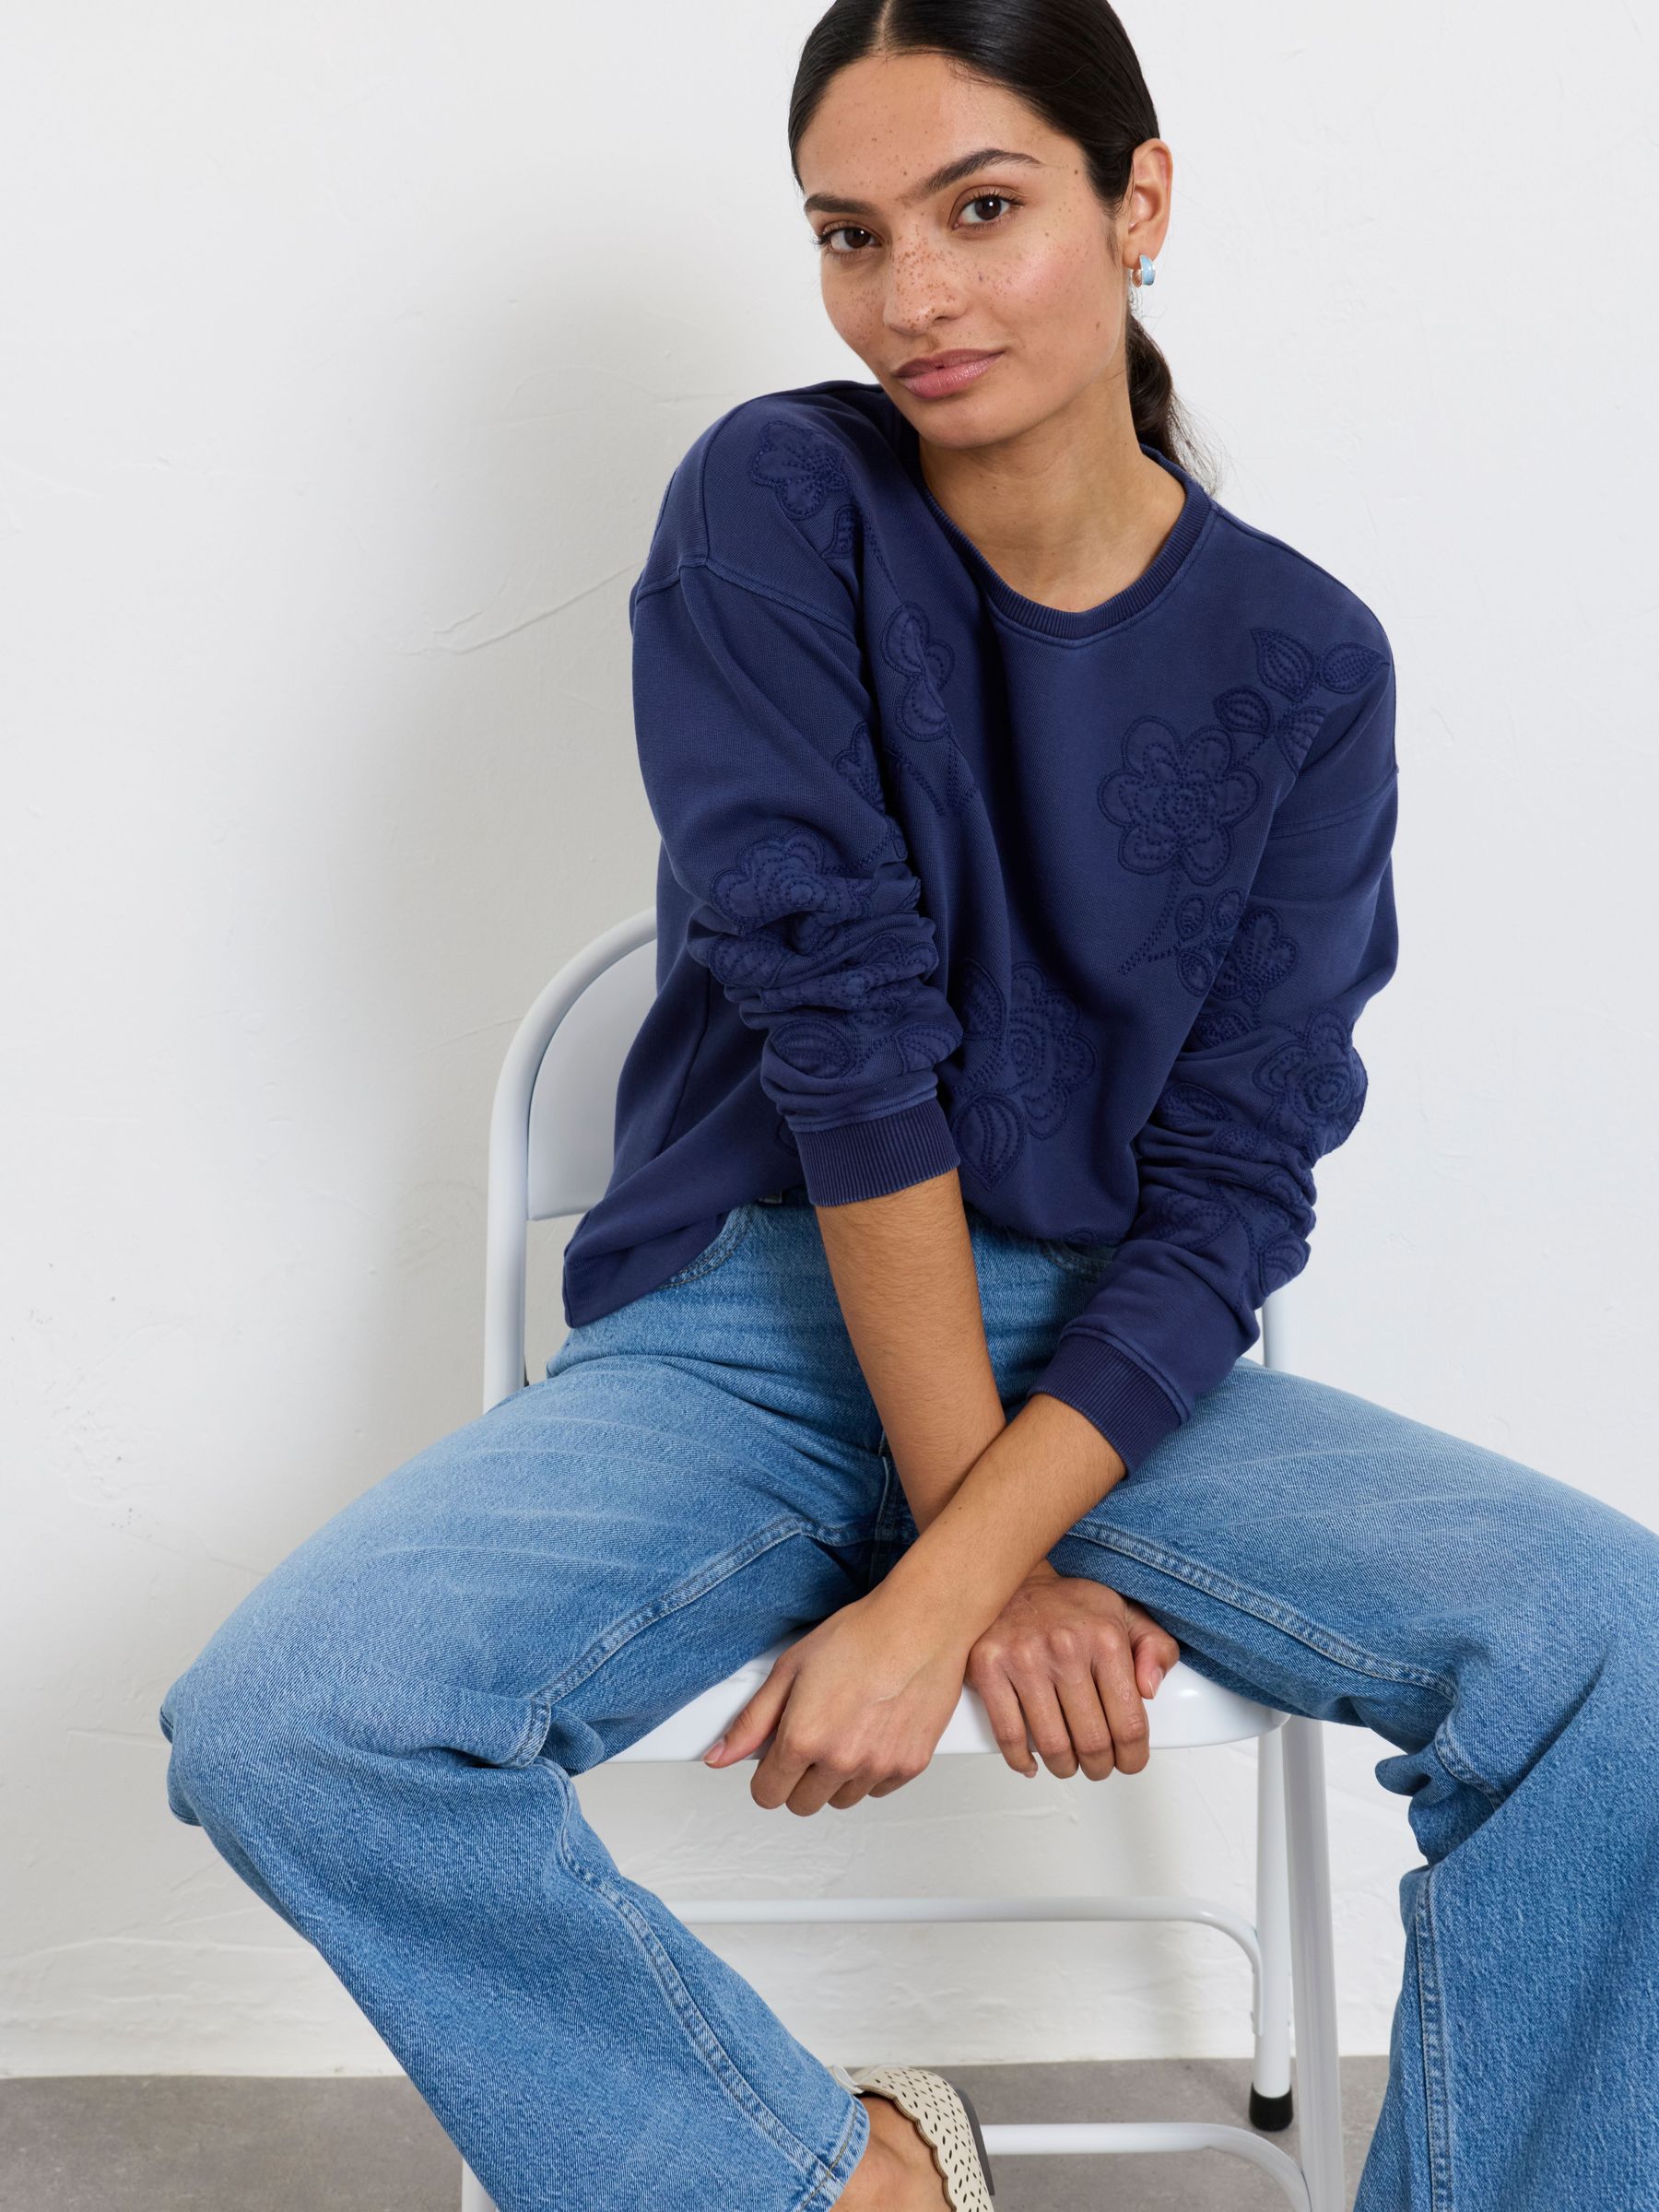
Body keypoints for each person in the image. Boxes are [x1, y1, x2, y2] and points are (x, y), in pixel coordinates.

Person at [159, 6, 1659, 2209]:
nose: (913, 295)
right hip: (749, 1344)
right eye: (851, 235)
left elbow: (1234, 1190)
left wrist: (971, 1562)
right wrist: (990, 1567)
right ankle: (845, 2183)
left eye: (983, 209)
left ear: (1140, 203)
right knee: (296, 1720)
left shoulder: (1308, 663)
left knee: (1619, 1652)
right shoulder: (780, 501)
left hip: (1106, 1379)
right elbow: (851, 1055)